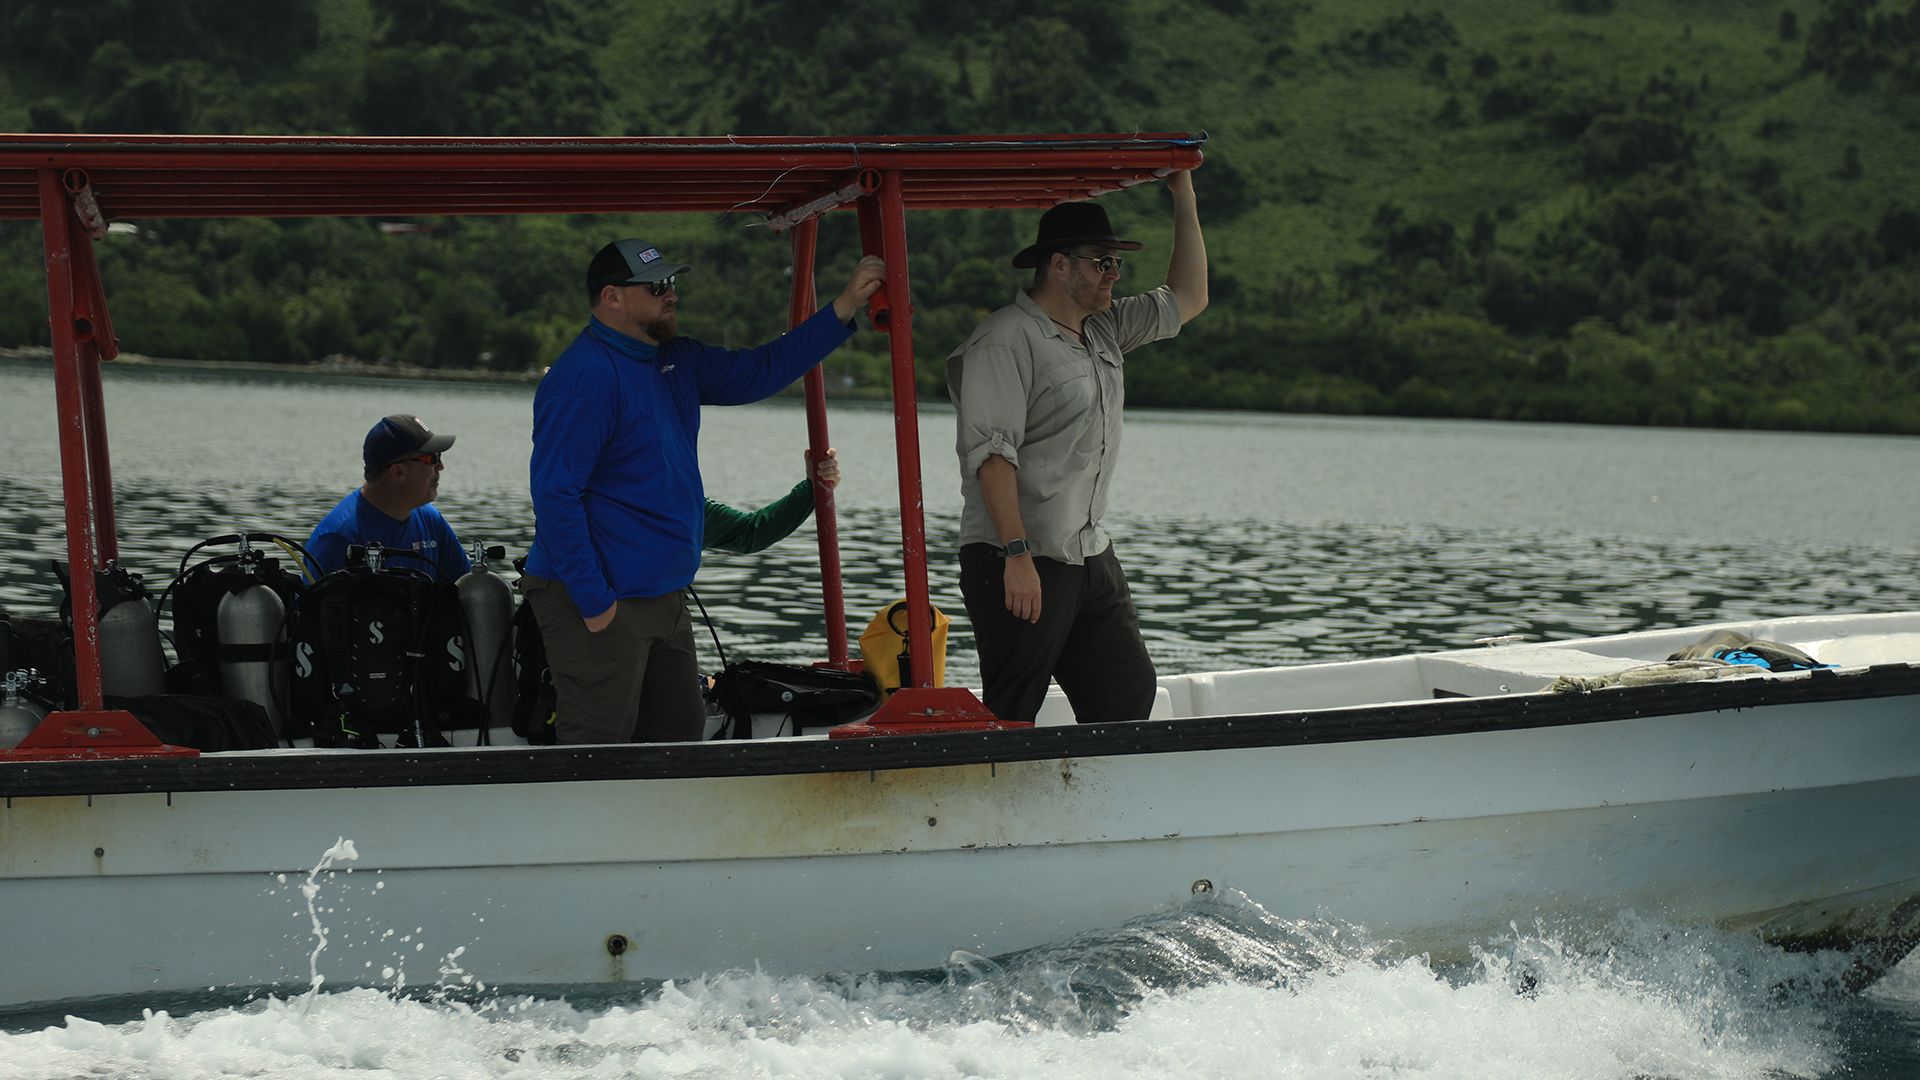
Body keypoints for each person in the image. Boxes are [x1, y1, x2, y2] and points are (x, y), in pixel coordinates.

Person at [521, 238, 883, 745]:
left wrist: (844, 306)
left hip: (664, 598)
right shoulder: (583, 378)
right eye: (657, 286)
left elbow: (761, 370)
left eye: (672, 283)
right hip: (600, 601)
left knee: (680, 738)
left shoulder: (678, 361)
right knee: (596, 750)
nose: (671, 294)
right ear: (613, 297)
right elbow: (556, 495)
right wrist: (594, 602)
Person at [946, 170, 1208, 725]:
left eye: (1117, 263)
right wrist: (1016, 556)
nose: (1113, 274)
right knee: (1014, 706)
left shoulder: (1104, 329)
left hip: (1087, 551)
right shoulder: (1004, 339)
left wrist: (1183, 196)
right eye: (1101, 262)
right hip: (1016, 556)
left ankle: (1097, 807)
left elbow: (1190, 296)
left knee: (1127, 692)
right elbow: (993, 456)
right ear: (1058, 265)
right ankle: (1001, 806)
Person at [304, 413, 471, 582]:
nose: (440, 467)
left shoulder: (431, 521)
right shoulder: (338, 538)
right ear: (398, 472)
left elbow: (467, 589)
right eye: (432, 458)